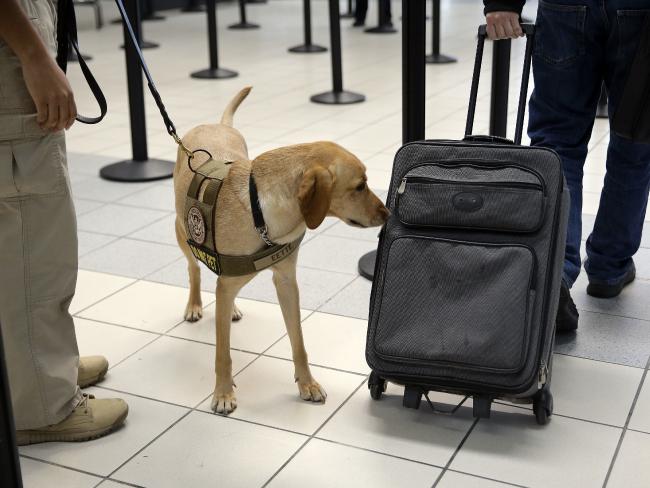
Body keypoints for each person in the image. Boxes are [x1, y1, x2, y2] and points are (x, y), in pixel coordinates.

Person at [0, 0, 128, 445]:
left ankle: (35, 368)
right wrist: (34, 55)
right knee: (31, 246)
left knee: (21, 234)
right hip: (11, 42)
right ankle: (41, 404)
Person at [484, 0, 650, 332]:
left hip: (566, 7)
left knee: (557, 142)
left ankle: (553, 272)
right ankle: (609, 266)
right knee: (636, 142)